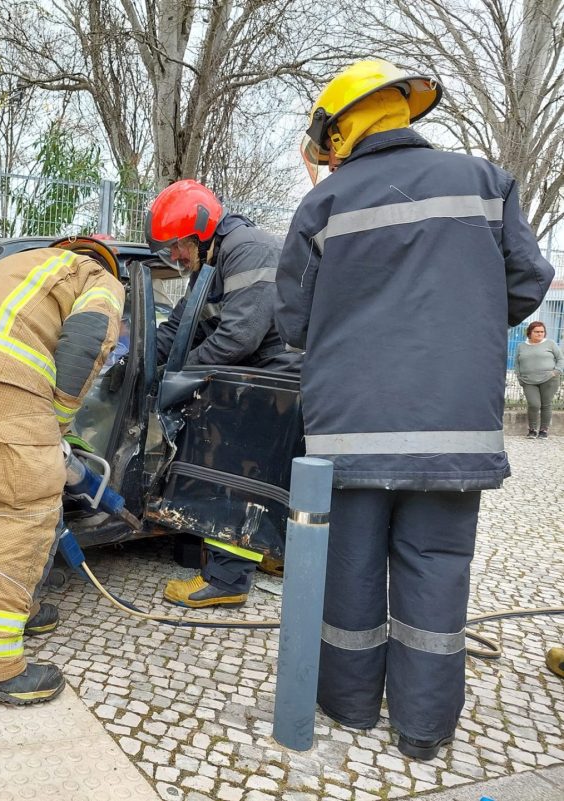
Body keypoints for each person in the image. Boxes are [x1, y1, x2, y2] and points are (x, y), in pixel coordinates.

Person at [275, 59, 554, 762]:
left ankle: (349, 707)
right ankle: (423, 731)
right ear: (403, 112)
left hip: (349, 433)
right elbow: (527, 280)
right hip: (452, 430)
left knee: (352, 569)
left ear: (340, 130)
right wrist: (469, 314)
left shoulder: (323, 206)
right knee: (437, 567)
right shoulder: (487, 183)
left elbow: (292, 321)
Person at [0, 237, 124, 708]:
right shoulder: (97, 277)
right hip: (0, 371)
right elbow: (92, 333)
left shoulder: (25, 267)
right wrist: (58, 419)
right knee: (24, 507)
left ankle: (18, 609)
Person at [144, 179, 300, 609]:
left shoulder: (248, 249)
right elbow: (179, 327)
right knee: (264, 477)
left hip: (276, 379)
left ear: (200, 230)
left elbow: (238, 339)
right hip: (259, 377)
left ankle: (227, 580)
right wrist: (136, 359)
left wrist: (178, 372)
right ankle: (274, 552)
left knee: (237, 472)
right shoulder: (211, 262)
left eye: (177, 246)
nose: (174, 256)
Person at [515, 321, 563, 438]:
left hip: (549, 379)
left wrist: (555, 372)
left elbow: (561, 359)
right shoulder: (521, 346)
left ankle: (543, 431)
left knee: (546, 405)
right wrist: (520, 377)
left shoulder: (550, 344)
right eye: (536, 332)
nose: (540, 334)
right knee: (534, 404)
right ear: (530, 333)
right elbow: (517, 363)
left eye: (542, 332)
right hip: (528, 381)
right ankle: (532, 430)